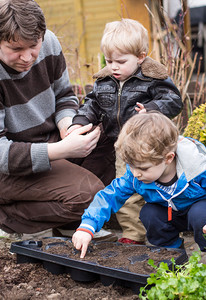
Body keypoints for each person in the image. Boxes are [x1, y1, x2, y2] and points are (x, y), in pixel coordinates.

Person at [0, 0, 115, 241]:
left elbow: (64, 96)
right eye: (16, 49)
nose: (27, 57)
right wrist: (60, 150)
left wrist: (67, 125)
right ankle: (7, 216)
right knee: (90, 196)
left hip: (46, 139)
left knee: (105, 133)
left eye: (33, 46)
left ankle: (71, 221)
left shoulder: (49, 42)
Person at [67, 19, 183, 245]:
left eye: (121, 61)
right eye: (109, 61)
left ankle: (166, 230)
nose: (114, 67)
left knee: (156, 187)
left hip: (149, 144)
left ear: (140, 57)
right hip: (121, 146)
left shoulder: (152, 79)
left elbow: (174, 100)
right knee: (128, 190)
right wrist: (80, 120)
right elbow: (92, 103)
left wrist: (152, 109)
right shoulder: (105, 81)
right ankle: (133, 235)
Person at [72, 112, 206, 258]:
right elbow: (108, 196)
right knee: (150, 213)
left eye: (143, 168)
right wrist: (87, 226)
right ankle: (171, 254)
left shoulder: (197, 168)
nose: (136, 173)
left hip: (200, 210)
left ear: (168, 158)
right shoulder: (135, 175)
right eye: (131, 165)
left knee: (200, 215)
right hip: (169, 213)